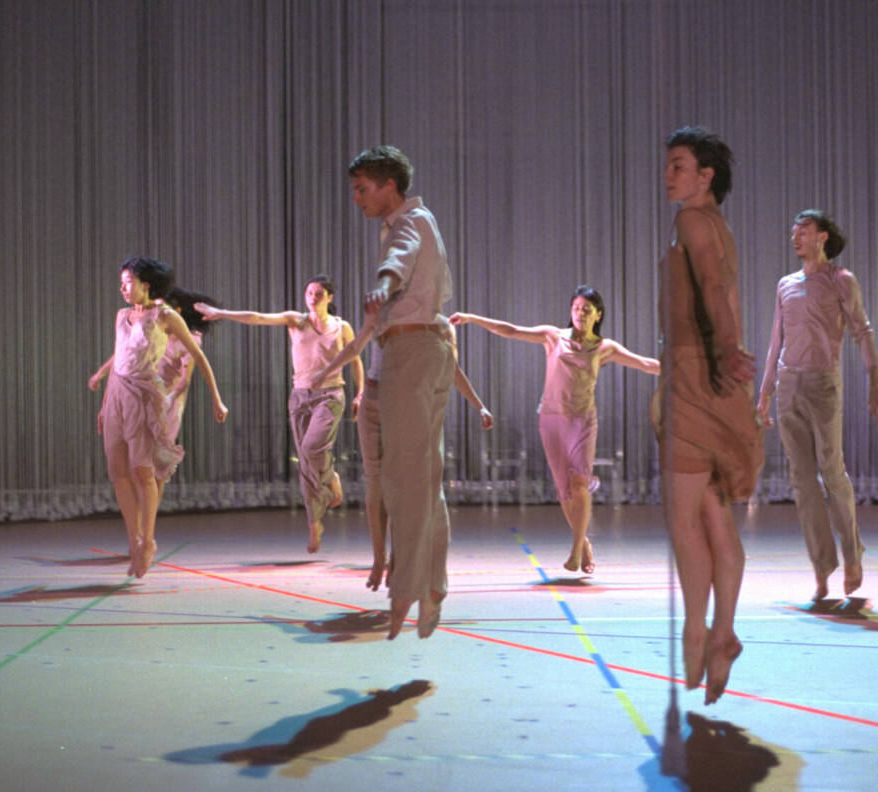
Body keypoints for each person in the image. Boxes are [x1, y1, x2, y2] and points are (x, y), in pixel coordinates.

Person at [654, 127, 764, 705]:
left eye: (679, 166)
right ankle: (721, 633)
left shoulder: (693, 221)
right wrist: (726, 352)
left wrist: (722, 350)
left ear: (706, 176)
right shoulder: (717, 225)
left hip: (698, 376)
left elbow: (713, 285)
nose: (668, 175)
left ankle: (698, 631)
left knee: (684, 519)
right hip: (712, 377)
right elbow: (717, 290)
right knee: (714, 514)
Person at [451, 286, 660, 574]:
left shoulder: (605, 347)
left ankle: (575, 551)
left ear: (598, 315)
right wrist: (472, 318)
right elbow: (511, 330)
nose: (580, 314)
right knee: (564, 491)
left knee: (579, 484)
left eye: (587, 310)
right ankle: (584, 542)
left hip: (582, 421)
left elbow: (646, 364)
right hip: (551, 420)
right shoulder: (553, 336)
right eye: (576, 308)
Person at [349, 145, 455, 639]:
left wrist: (383, 284)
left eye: (362, 188)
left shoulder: (409, 223)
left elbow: (400, 258)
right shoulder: (420, 221)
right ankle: (431, 588)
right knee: (424, 479)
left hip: (412, 353)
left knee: (403, 480)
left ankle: (407, 590)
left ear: (389, 185)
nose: (356, 198)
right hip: (427, 349)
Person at [756, 210, 878, 601]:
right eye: (793, 232)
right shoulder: (786, 284)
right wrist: (765, 392)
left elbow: (862, 332)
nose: (795, 237)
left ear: (822, 237)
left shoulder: (841, 280)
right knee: (802, 481)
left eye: (804, 231)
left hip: (823, 385)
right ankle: (821, 566)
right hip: (789, 385)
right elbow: (776, 340)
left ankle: (852, 555)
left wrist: (876, 385)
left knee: (832, 472)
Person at [312, 310, 494, 593]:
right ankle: (379, 559)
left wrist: (479, 405)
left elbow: (452, 369)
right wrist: (325, 372)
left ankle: (399, 557)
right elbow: (355, 347)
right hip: (373, 400)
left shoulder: (438, 325)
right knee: (375, 484)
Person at [194, 276, 360, 553]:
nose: (313, 297)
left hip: (330, 396)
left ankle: (331, 476)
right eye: (309, 292)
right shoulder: (296, 321)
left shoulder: (341, 327)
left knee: (312, 448)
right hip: (300, 397)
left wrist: (360, 392)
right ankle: (314, 524)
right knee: (306, 462)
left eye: (319, 293)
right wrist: (221, 313)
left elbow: (355, 360)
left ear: (329, 297)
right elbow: (258, 318)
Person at [88, 257, 228, 578]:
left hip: (144, 395)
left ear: (146, 284)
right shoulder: (122, 315)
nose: (123, 287)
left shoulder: (165, 316)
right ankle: (134, 540)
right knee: (118, 471)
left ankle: (148, 540)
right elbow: (120, 359)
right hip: (118, 395)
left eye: (128, 281)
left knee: (143, 470)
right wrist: (105, 402)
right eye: (122, 282)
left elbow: (198, 357)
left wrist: (216, 399)